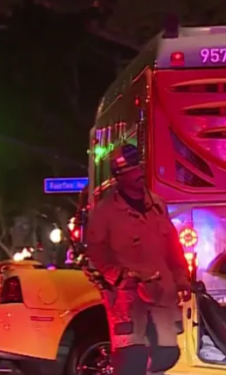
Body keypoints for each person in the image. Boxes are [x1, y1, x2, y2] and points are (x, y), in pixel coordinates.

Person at [86, 143, 191, 375]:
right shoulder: (104, 212)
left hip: (161, 294)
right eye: (131, 170)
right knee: (131, 359)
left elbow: (173, 248)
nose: (139, 173)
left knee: (167, 354)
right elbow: (96, 253)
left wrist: (182, 279)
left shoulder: (157, 205)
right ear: (119, 177)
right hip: (127, 298)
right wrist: (120, 277)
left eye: (139, 168)